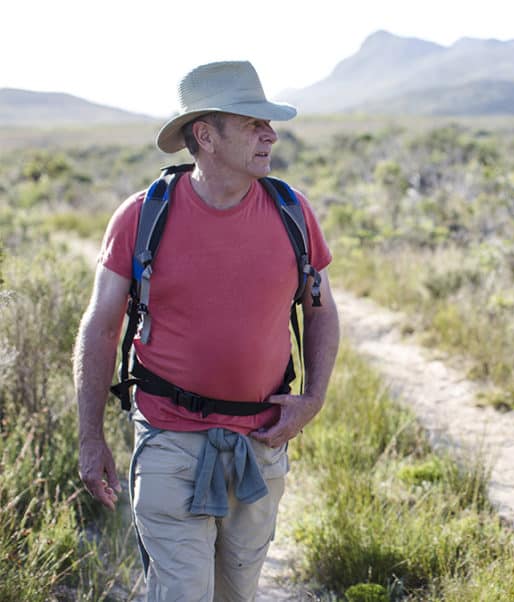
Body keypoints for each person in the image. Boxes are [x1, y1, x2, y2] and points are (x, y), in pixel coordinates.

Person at [74, 60, 340, 601]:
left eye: (269, 124)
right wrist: (90, 437)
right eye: (251, 123)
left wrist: (312, 399)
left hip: (261, 442)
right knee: (181, 593)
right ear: (205, 135)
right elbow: (100, 328)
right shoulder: (142, 216)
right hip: (169, 438)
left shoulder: (292, 212)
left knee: (236, 593)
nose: (270, 133)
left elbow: (321, 310)